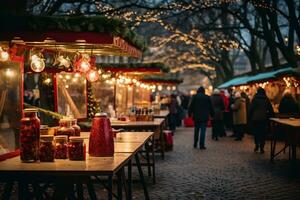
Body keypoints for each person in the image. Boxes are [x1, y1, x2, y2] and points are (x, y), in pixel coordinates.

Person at [249, 87, 274, 154]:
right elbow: (271, 109)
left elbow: (251, 109)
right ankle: (262, 147)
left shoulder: (255, 99)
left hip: (255, 119)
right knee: (263, 133)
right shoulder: (266, 99)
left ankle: (257, 145)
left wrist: (249, 117)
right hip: (264, 119)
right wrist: (272, 117)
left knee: (256, 132)